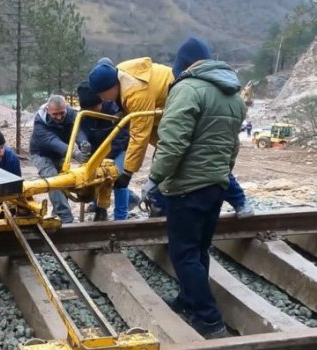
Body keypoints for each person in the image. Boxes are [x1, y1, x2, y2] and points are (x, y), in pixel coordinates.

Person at [143, 37, 246, 338]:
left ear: (183, 65)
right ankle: (188, 299)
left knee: (184, 253)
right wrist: (223, 174)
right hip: (215, 184)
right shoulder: (233, 95)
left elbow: (172, 143)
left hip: (187, 186)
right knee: (199, 249)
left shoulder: (187, 89)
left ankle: (209, 320)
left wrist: (155, 178)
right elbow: (233, 145)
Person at [88, 49, 253, 218]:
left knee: (201, 160)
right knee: (169, 163)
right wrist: (123, 114)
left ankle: (240, 201)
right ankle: (161, 211)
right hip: (169, 117)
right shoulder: (121, 74)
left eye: (102, 94)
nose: (102, 99)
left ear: (111, 86)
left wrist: (128, 172)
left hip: (185, 114)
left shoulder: (135, 92)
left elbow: (139, 136)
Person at [76, 79, 140, 221]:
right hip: (97, 152)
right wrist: (83, 143)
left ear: (101, 101)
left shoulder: (114, 109)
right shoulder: (83, 115)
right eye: (89, 109)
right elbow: (79, 132)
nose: (92, 111)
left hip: (119, 150)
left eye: (95, 107)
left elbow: (122, 136)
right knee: (92, 178)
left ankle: (121, 217)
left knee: (118, 178)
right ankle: (100, 211)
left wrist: (106, 159)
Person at [29, 95, 91, 224]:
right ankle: (65, 217)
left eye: (61, 113)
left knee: (65, 179)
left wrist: (83, 143)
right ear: (47, 110)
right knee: (53, 180)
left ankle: (57, 214)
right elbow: (52, 141)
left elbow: (77, 129)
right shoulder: (40, 121)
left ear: (66, 108)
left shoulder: (71, 114)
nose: (59, 117)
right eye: (55, 114)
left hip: (61, 154)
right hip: (41, 154)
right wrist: (75, 154)